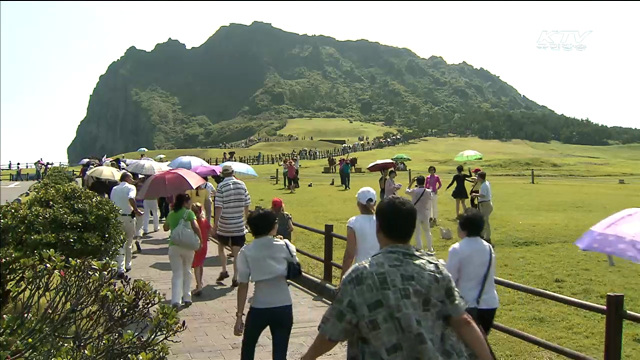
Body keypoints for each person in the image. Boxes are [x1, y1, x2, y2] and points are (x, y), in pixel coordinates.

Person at [301, 197, 494, 360]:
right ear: (411, 228)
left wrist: (307, 358)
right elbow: (464, 321)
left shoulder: (360, 276)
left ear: (378, 227)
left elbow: (331, 333)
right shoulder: (435, 270)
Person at [234, 209, 299, 360]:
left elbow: (243, 285)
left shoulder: (246, 251)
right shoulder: (286, 246)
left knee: (248, 348)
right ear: (273, 226)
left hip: (259, 306)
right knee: (280, 353)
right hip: (283, 305)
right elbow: (294, 265)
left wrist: (239, 316)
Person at [446, 209, 499, 335]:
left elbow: (449, 280)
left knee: (466, 347)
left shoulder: (457, 249)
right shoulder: (488, 247)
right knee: (481, 342)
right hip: (489, 304)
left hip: (467, 306)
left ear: (463, 227)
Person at [214, 164, 252, 287]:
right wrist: (246, 219)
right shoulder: (242, 185)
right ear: (233, 172)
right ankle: (235, 277)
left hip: (225, 224)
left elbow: (218, 206)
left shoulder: (221, 186)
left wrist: (215, 224)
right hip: (238, 224)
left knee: (221, 247)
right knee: (237, 253)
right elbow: (247, 204)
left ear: (222, 174)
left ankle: (224, 269)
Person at [163, 194, 202, 308]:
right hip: (188, 246)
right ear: (185, 202)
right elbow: (195, 227)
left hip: (174, 246)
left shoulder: (171, 213)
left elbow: (165, 227)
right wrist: (201, 240)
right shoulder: (188, 213)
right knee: (187, 271)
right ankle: (187, 297)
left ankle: (175, 300)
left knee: (177, 273)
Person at [340, 187, 378, 281]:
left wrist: (342, 279)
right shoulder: (382, 221)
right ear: (375, 203)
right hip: (379, 272)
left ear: (358, 204)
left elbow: (349, 254)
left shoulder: (353, 222)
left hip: (361, 272)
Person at [110, 172, 143, 278]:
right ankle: (127, 264)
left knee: (119, 243)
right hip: (128, 216)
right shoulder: (131, 187)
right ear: (127, 178)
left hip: (117, 216)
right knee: (128, 241)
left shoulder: (114, 189)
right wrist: (136, 210)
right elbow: (131, 198)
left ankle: (120, 267)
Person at [406, 175, 433, 253]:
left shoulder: (414, 191)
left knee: (417, 231)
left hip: (416, 213)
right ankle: (430, 247)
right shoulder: (428, 192)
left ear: (417, 182)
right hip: (425, 212)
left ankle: (419, 246)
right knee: (427, 231)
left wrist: (411, 182)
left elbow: (406, 191)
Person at [191, 202, 210, 297]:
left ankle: (199, 285)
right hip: (205, 245)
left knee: (196, 266)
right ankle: (200, 283)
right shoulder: (204, 220)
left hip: (196, 245)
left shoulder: (193, 222)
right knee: (200, 264)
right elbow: (209, 230)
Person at [471, 171, 493, 244]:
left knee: (485, 221)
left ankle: (487, 237)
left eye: (477, 177)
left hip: (485, 204)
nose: (476, 178)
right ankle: (482, 235)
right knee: (483, 220)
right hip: (485, 204)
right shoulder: (485, 183)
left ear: (480, 178)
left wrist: (475, 195)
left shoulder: (484, 185)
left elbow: (483, 195)